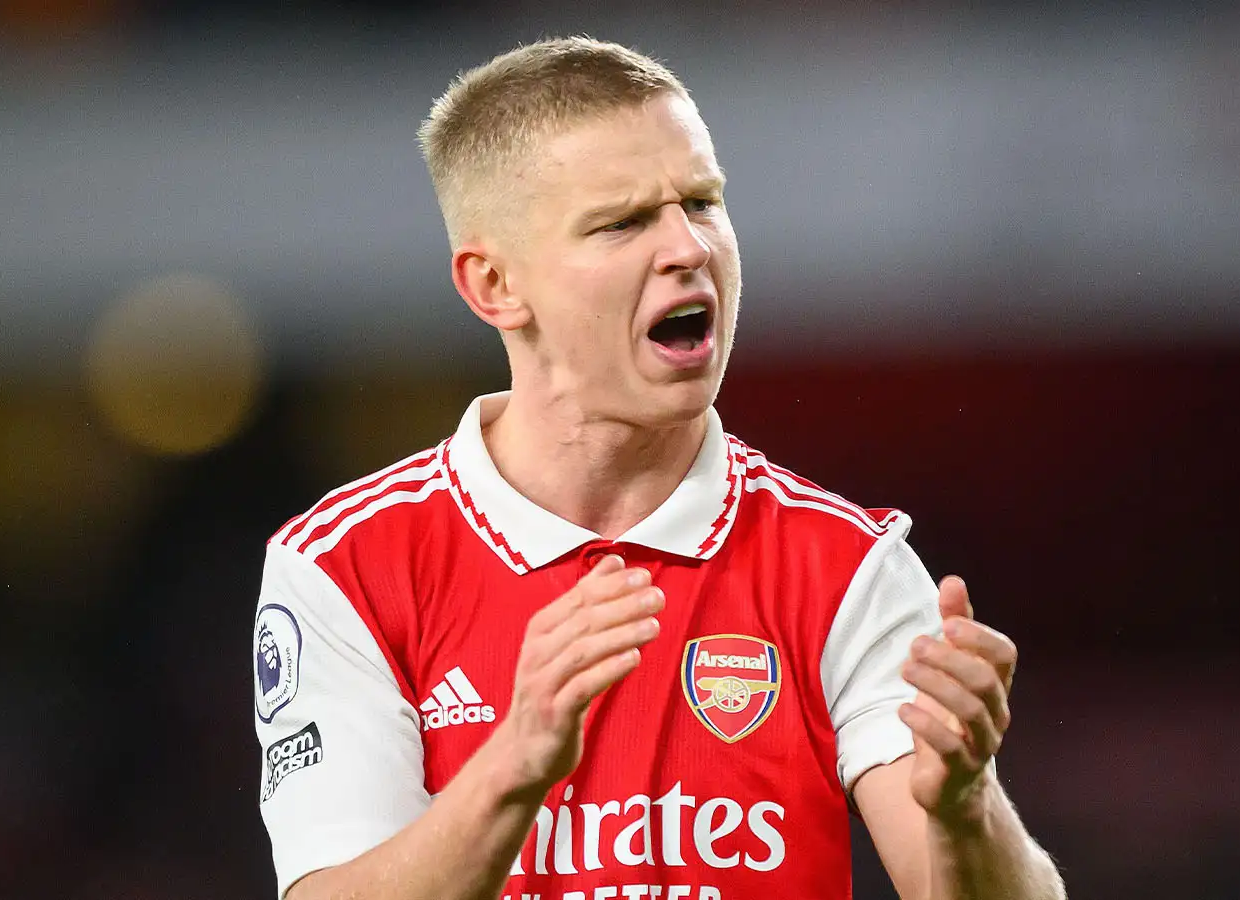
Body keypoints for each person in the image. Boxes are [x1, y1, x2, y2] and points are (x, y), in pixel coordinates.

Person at [252, 36, 1066, 900]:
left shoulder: (844, 567)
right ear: (494, 285)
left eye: (703, 202)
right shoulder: (346, 567)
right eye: (623, 222)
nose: (687, 247)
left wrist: (968, 811)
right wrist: (515, 762)